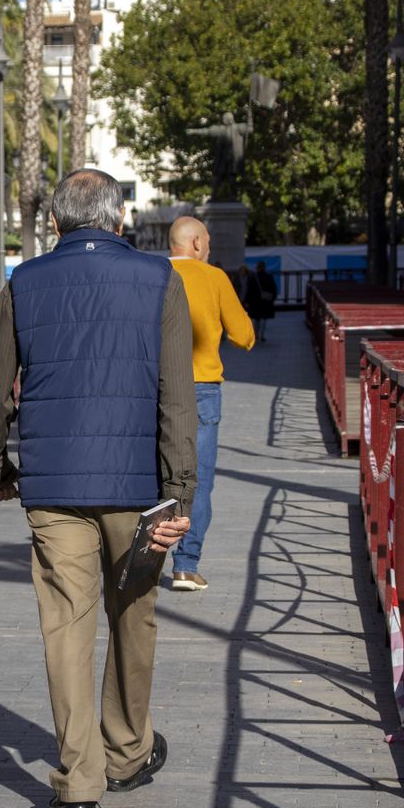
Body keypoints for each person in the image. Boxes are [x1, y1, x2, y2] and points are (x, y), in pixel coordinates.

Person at [0, 169, 196, 808]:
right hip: (139, 485)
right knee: (134, 615)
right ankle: (126, 752)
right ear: (119, 219)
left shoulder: (26, 282)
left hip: (55, 483)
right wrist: (180, 495)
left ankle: (78, 781)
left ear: (59, 223)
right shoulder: (161, 281)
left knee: (66, 626)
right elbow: (178, 401)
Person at [166, 216, 255, 593]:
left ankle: (146, 555)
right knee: (197, 481)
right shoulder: (214, 277)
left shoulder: (151, 273)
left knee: (157, 475)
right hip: (202, 389)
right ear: (198, 243)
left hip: (157, 387)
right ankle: (186, 566)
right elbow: (244, 336)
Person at [252, 260, 278, 339]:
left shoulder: (254, 277)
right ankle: (262, 335)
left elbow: (250, 289)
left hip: (255, 300)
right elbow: (273, 288)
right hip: (265, 300)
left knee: (256, 318)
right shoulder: (268, 276)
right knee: (263, 317)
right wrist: (272, 298)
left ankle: (255, 335)